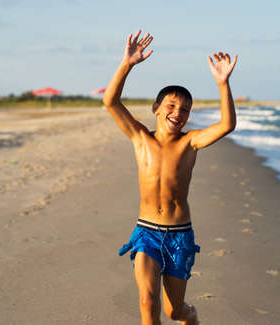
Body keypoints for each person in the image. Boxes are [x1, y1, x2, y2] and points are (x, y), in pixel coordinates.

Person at [103, 30, 237, 325]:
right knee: (147, 301)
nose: (178, 113)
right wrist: (127, 64)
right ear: (157, 109)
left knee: (174, 311)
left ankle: (191, 316)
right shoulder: (140, 137)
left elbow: (227, 124)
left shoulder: (191, 142)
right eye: (172, 106)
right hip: (147, 233)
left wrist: (222, 83)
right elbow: (110, 101)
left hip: (179, 236)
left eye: (185, 110)